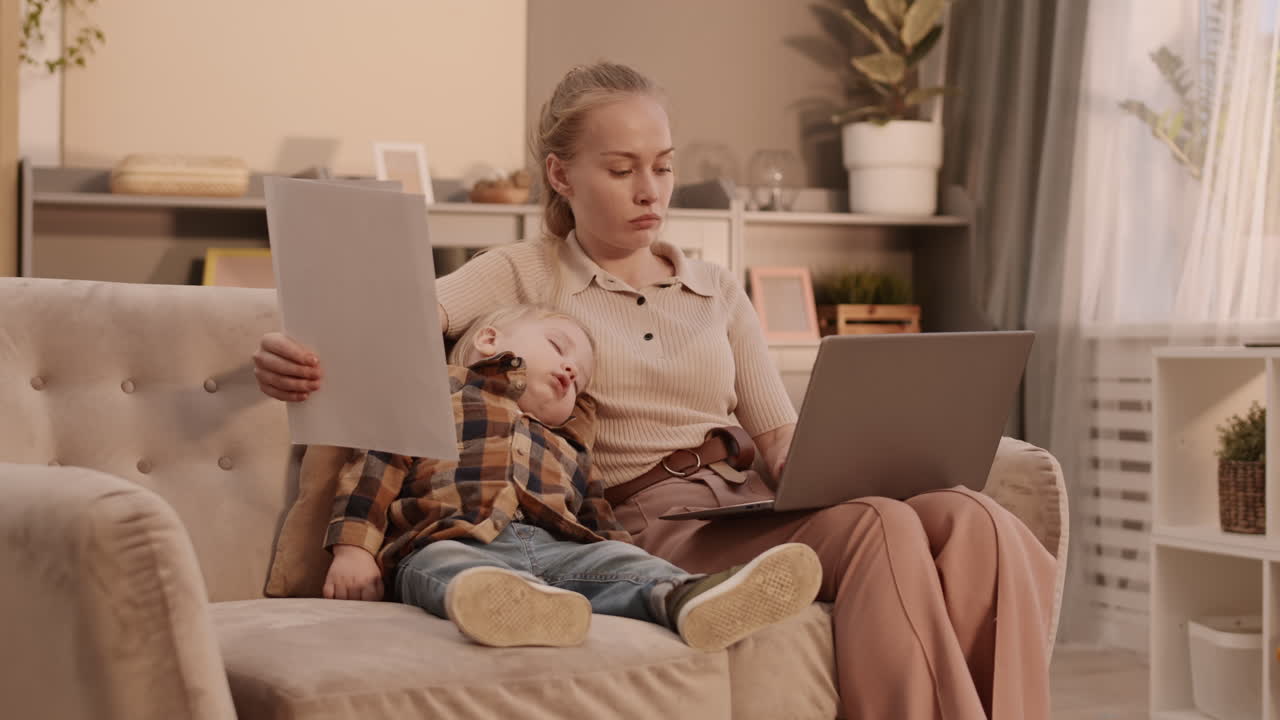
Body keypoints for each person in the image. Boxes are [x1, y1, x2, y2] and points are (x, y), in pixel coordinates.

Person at [254, 62, 1057, 718]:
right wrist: (300, 357)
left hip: (746, 501)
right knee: (884, 528)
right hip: (652, 521)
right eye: (622, 169)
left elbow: (780, 441)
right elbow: (395, 326)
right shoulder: (523, 273)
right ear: (562, 174)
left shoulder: (718, 290)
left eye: (664, 167)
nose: (651, 191)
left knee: (973, 516)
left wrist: (864, 455)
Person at [321, 303, 823, 651]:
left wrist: (626, 552)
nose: (569, 370)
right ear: (490, 341)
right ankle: (508, 603)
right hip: (450, 536)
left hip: (555, 548)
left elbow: (597, 516)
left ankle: (689, 596)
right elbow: (374, 468)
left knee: (620, 564)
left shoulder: (570, 442)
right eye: (557, 347)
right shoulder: (437, 394)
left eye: (578, 378)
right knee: (444, 566)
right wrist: (353, 551)